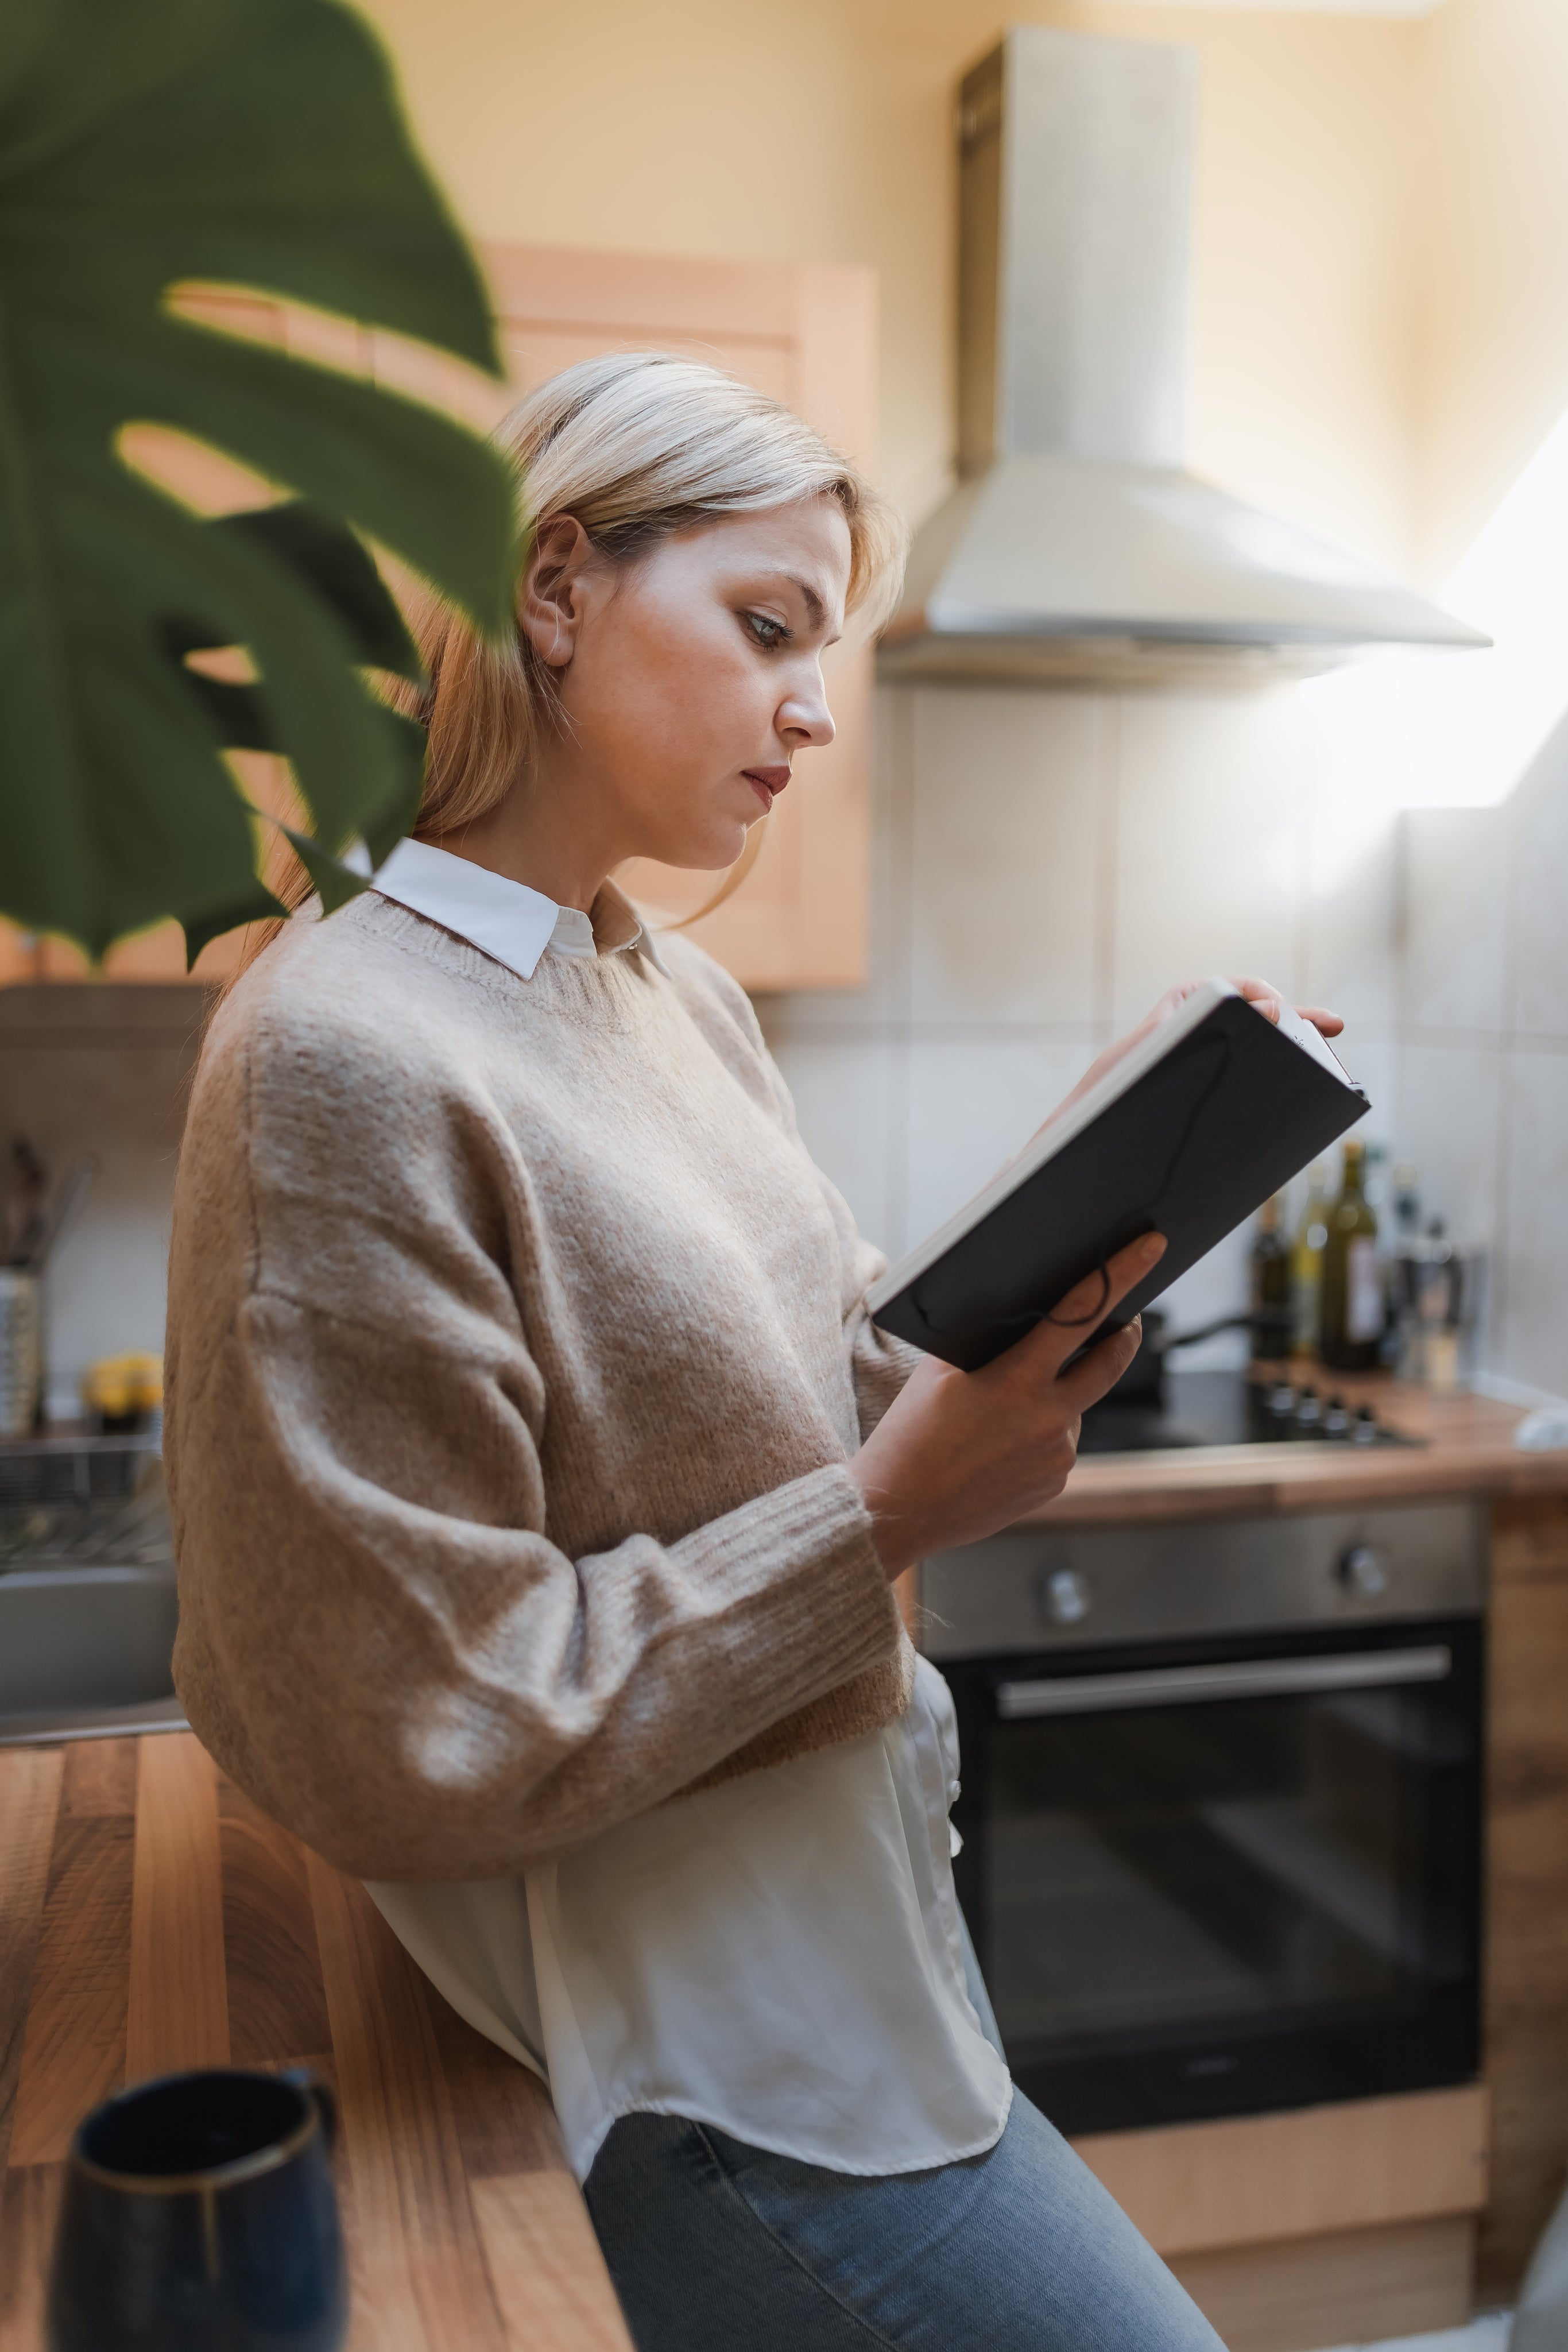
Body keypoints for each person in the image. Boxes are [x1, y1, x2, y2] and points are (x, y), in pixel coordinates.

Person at [164, 352, 1341, 2350]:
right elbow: (416, 1731)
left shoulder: (659, 985)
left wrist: (1080, 1185)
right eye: (766, 625)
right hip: (695, 2045)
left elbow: (818, 1386)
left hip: (849, 1957)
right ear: (553, 590)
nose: (813, 705)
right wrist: (888, 1513)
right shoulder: (345, 1051)